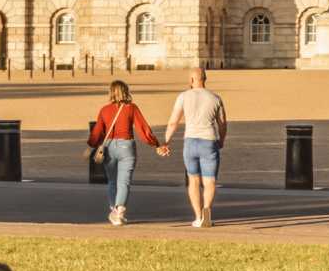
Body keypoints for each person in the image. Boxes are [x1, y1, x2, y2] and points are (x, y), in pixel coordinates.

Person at [85, 81, 169, 226]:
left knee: (112, 181)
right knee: (124, 182)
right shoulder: (132, 108)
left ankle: (115, 211)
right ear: (126, 91)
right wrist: (155, 144)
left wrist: (90, 147)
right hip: (127, 146)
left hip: (110, 146)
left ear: (111, 92)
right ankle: (120, 210)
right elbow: (143, 129)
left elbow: (97, 131)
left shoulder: (104, 110)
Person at [161, 67, 227, 228]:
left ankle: (198, 217)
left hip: (190, 141)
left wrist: (166, 142)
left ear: (191, 80)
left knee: (193, 180)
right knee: (210, 181)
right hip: (209, 140)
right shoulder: (215, 98)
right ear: (205, 79)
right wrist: (222, 140)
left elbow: (173, 122)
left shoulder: (183, 97)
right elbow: (223, 123)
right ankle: (207, 211)